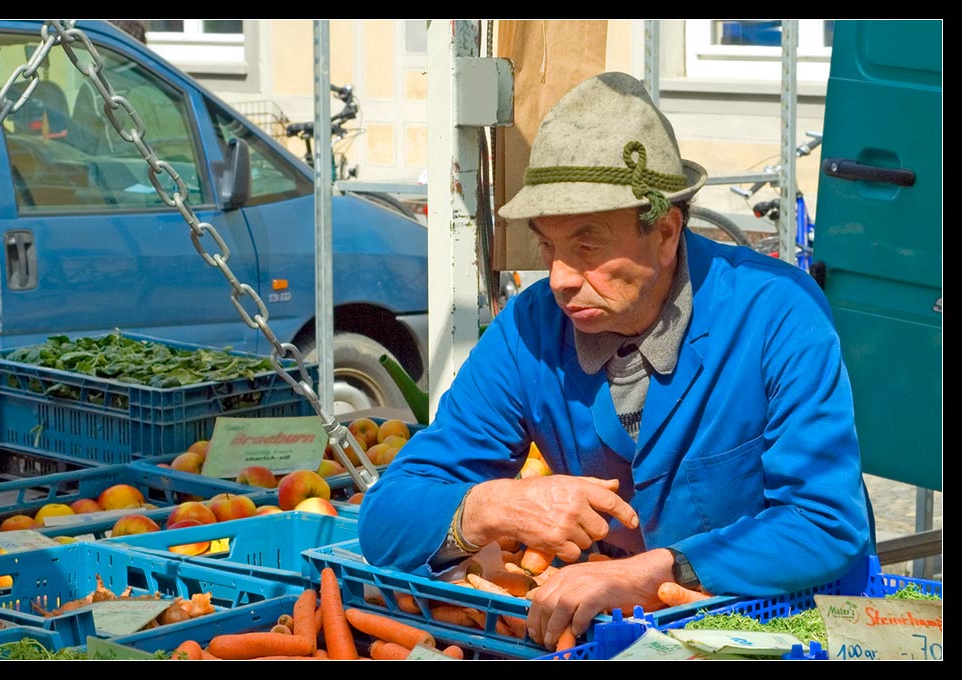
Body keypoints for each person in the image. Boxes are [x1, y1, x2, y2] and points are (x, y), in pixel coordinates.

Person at [357, 72, 875, 650]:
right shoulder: (527, 331)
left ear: (666, 233)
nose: (558, 279)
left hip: (796, 628)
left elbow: (826, 522)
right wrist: (491, 504)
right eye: (547, 246)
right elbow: (385, 517)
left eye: (587, 245)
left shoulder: (780, 312)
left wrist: (652, 571)